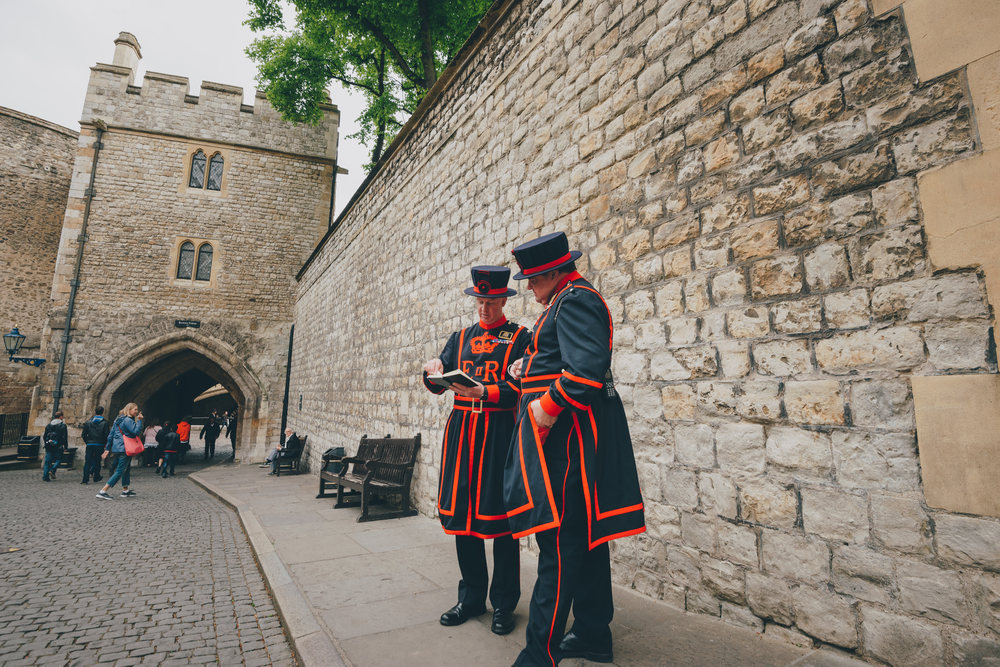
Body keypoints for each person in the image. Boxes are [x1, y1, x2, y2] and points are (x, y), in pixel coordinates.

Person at [504, 232, 645, 666]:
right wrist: (526, 370)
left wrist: (543, 410)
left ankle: (537, 655)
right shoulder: (562, 301)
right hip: (565, 439)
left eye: (531, 279)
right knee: (586, 540)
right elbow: (560, 359)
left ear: (551, 273)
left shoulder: (575, 299)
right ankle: (591, 633)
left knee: (560, 545)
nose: (527, 287)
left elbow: (585, 372)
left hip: (567, 443)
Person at [422, 265, 530, 636]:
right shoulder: (460, 337)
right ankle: (470, 599)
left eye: (491, 300)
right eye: (479, 300)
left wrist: (485, 392)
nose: (484, 307)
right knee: (464, 520)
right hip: (462, 433)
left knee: (501, 523)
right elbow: (437, 384)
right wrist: (433, 368)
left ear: (503, 299)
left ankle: (503, 604)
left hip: (498, 432)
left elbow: (522, 389)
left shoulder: (520, 338)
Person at [96, 403, 143, 500]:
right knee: (121, 470)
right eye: (135, 409)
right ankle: (103, 491)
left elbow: (111, 435)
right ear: (129, 410)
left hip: (119, 447)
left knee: (126, 468)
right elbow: (136, 432)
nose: (136, 411)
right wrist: (139, 421)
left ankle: (125, 490)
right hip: (125, 447)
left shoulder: (118, 420)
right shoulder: (128, 420)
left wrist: (108, 448)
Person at [80, 406, 110, 484]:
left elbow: (83, 434)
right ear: (103, 412)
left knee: (87, 462)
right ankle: (96, 476)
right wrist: (105, 443)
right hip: (99, 444)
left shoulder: (88, 422)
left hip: (90, 444)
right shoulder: (105, 422)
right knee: (97, 461)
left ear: (94, 412)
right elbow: (106, 434)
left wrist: (87, 442)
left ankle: (85, 479)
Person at [42, 411, 68, 482]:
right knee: (59, 458)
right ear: (61, 417)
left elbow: (44, 436)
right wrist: (65, 447)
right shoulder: (63, 425)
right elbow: (64, 437)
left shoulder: (48, 425)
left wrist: (47, 443)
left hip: (49, 445)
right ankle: (53, 469)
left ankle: (45, 477)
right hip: (58, 445)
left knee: (47, 461)